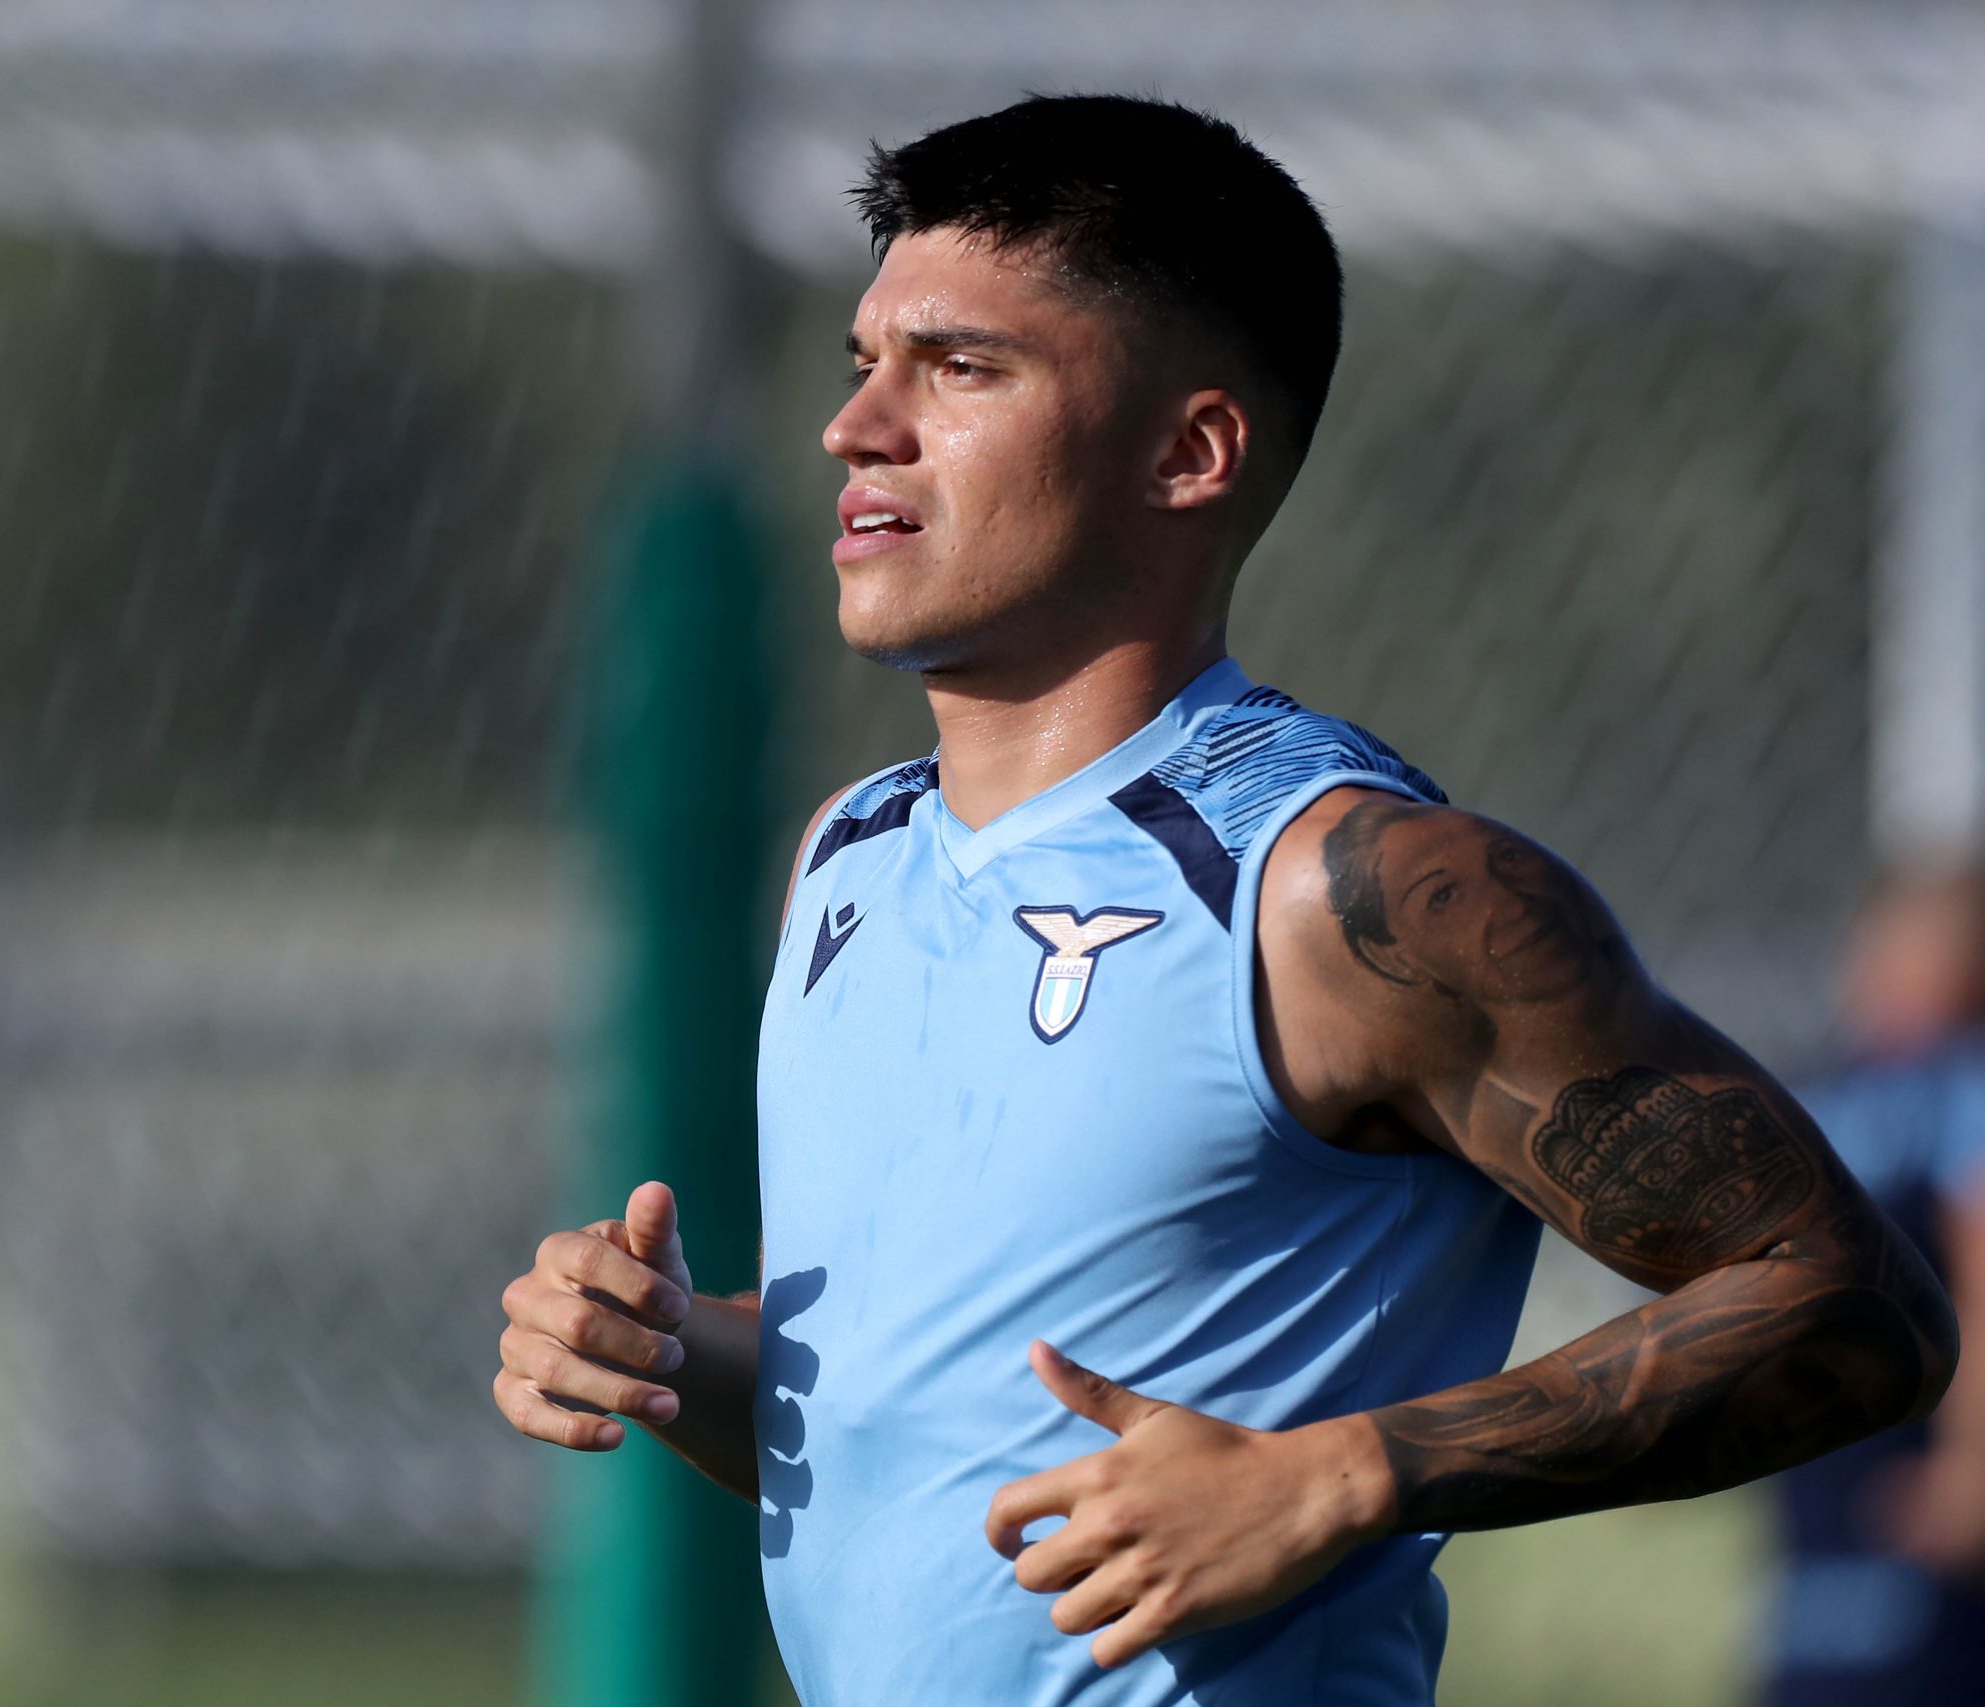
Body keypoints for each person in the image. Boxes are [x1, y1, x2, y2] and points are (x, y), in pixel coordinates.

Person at [491, 94, 1957, 1706]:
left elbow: (1856, 1302)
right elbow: (919, 1427)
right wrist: (669, 1348)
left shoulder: (1354, 891)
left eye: (961, 367)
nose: (858, 426)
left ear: (1189, 453)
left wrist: (1337, 1476)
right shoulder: (851, 852)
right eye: (865, 361)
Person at [1756, 867, 1985, 1704]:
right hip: (1821, 1499)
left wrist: (1972, 1463)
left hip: (1923, 1495)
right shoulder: (1820, 1093)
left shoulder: (1961, 1088)